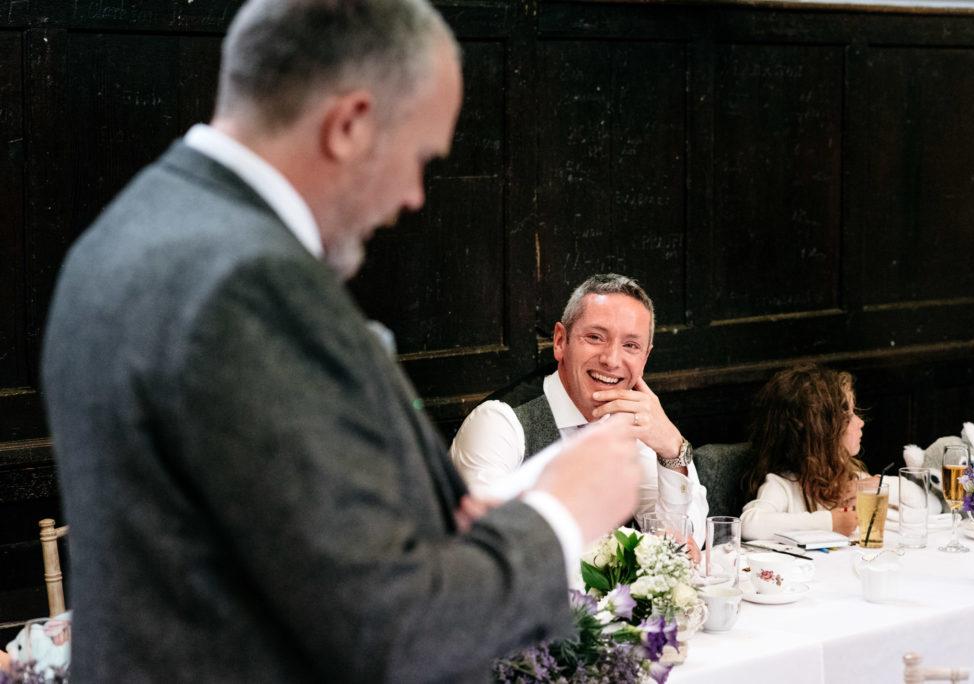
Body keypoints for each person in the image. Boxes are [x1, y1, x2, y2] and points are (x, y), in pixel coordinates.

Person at [40, 1, 643, 682]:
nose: (415, 195)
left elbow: (262, 542)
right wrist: (560, 516)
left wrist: (449, 523)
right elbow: (386, 630)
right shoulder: (250, 281)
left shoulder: (125, 232)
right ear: (351, 124)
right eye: (419, 156)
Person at [450, 273, 709, 560]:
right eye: (595, 337)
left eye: (630, 345)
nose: (611, 360)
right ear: (561, 341)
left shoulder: (638, 417)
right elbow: (483, 544)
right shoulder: (498, 422)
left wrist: (672, 448)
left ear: (644, 358)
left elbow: (679, 541)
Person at [739, 364, 869, 541]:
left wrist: (883, 487)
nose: (860, 422)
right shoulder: (783, 486)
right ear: (821, 432)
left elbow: (916, 500)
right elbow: (750, 525)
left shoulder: (850, 479)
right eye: (847, 417)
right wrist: (829, 523)